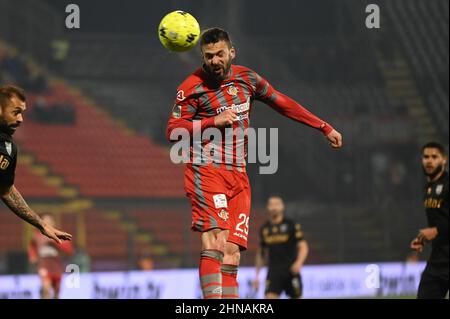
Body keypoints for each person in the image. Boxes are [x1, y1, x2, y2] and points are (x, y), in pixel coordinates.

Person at [166, 28, 342, 299]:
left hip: (238, 175)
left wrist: (323, 126)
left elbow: (281, 102)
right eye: (209, 56)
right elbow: (172, 130)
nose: (215, 60)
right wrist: (213, 121)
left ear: (231, 53)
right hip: (206, 169)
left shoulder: (247, 79)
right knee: (216, 237)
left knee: (233, 253)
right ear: (202, 56)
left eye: (220, 54)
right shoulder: (190, 87)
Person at [0, 85, 72, 243]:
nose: (20, 119)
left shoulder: (8, 147)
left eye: (22, 113)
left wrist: (41, 224)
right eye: (16, 112)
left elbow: (6, 190)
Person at [410, 142, 448, 299]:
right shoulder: (428, 188)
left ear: (444, 160)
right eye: (426, 157)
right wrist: (422, 238)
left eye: (434, 157)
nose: (429, 160)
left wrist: (437, 231)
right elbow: (438, 221)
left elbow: (438, 227)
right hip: (438, 261)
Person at [253, 196, 308, 299]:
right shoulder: (264, 229)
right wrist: (256, 275)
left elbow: (303, 246)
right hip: (273, 272)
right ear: (267, 207)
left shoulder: (291, 225)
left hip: (291, 271)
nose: (274, 207)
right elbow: (261, 253)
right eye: (271, 204)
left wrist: (299, 263)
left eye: (277, 204)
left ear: (282, 207)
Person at [28, 213, 74, 299]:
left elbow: (69, 251)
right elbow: (32, 246)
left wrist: (55, 242)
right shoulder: (37, 236)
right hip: (44, 264)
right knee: (46, 288)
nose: (47, 223)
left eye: (49, 221)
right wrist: (32, 256)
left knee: (57, 291)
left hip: (56, 265)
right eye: (45, 221)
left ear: (53, 223)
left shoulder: (59, 235)